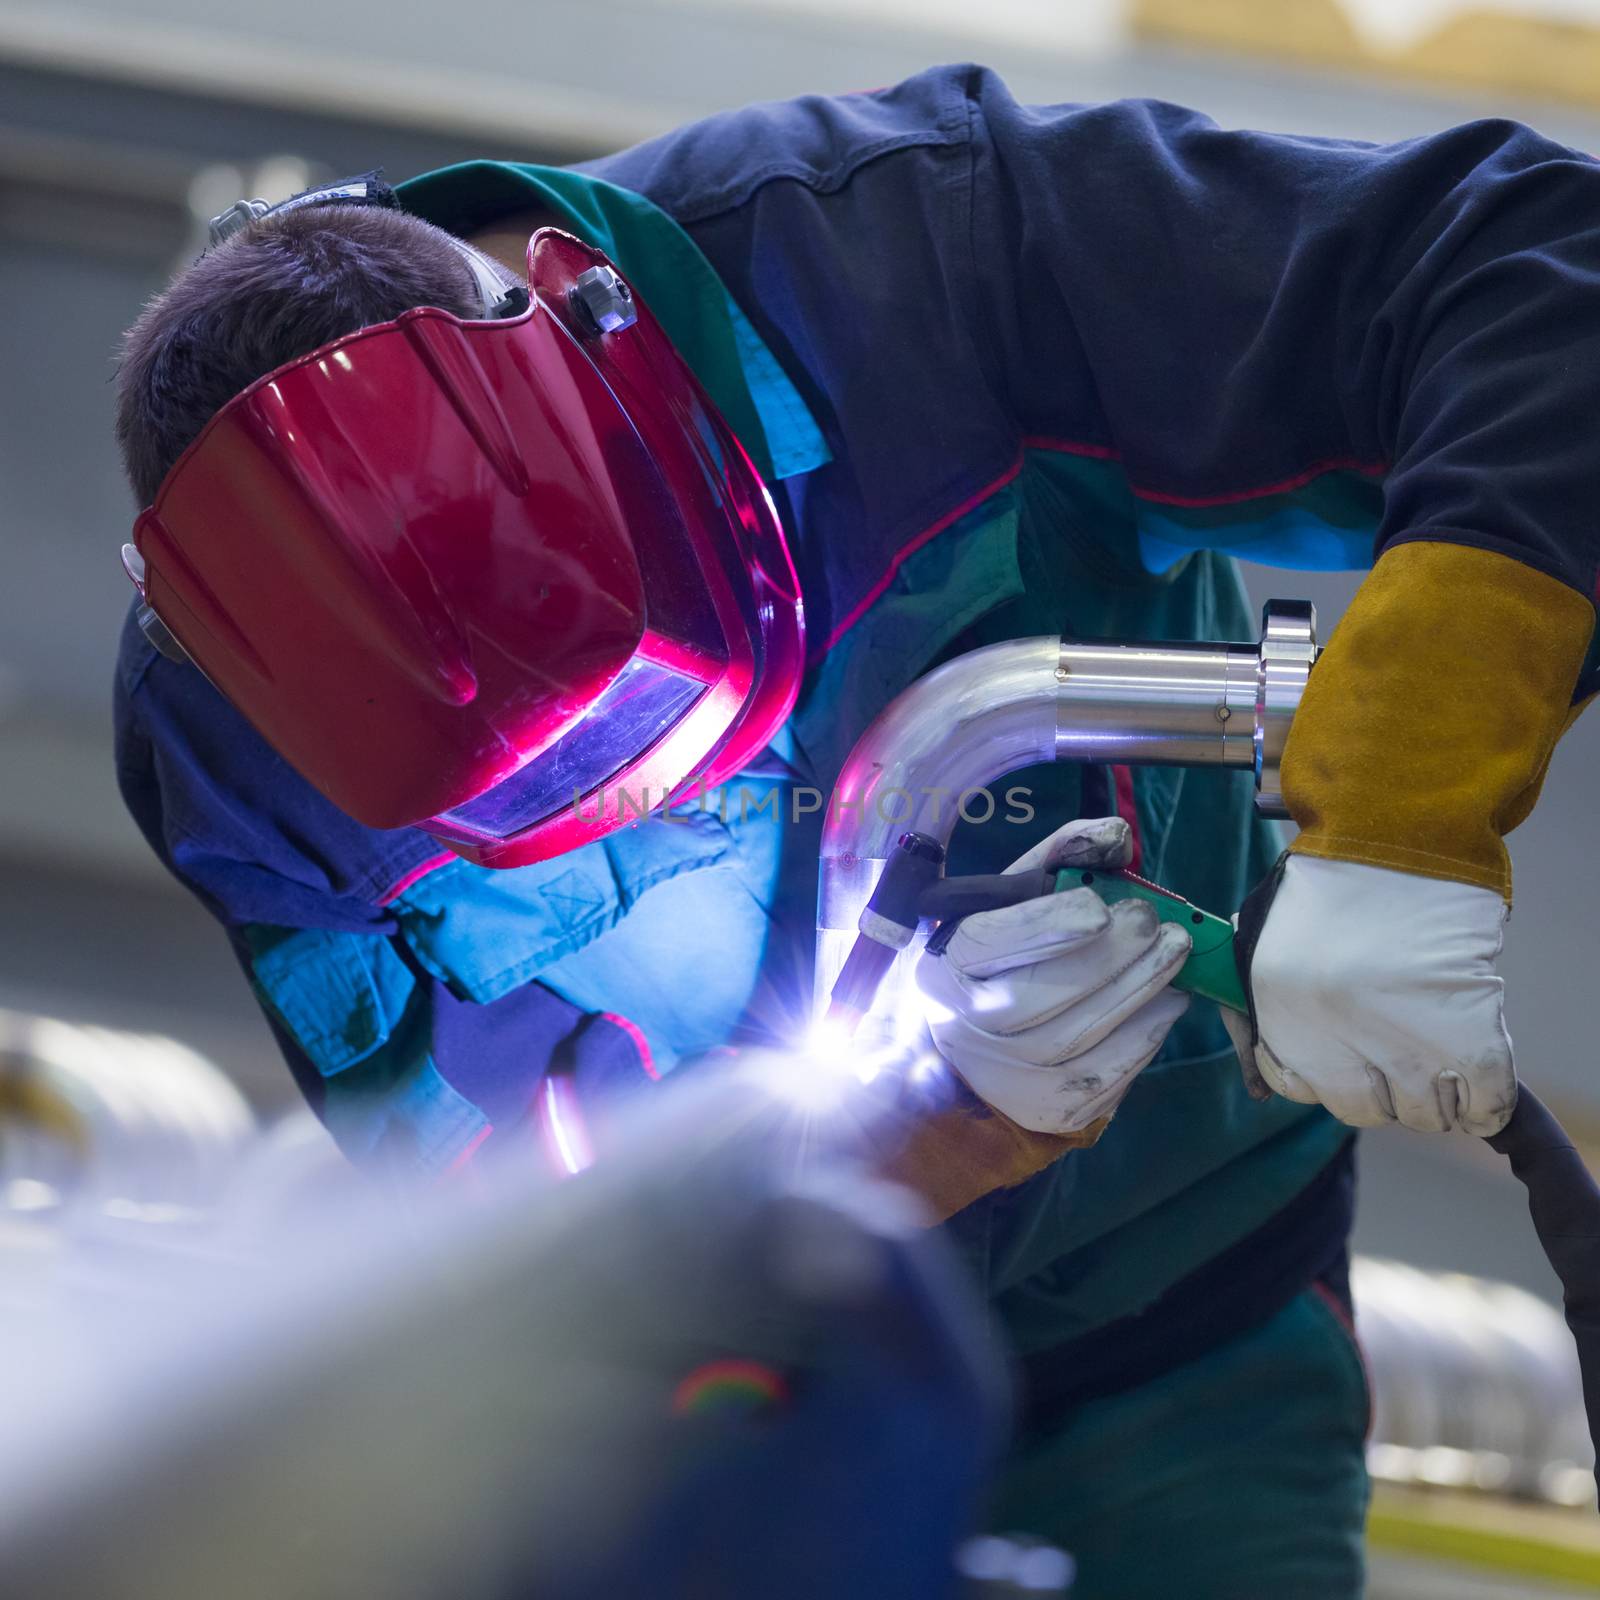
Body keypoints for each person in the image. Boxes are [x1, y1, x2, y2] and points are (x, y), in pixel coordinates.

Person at [111, 65, 1598, 1597]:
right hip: (728, 1411)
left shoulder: (920, 262)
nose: (643, 802)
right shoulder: (232, 750)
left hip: (1174, 1324)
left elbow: (1535, 282)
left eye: (651, 724)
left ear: (632, 381)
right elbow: (516, 1249)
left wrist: (1408, 813)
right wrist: (916, 1145)